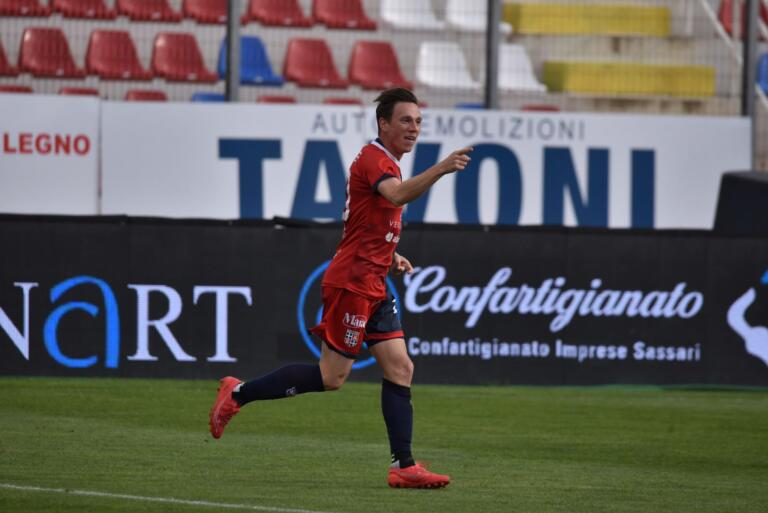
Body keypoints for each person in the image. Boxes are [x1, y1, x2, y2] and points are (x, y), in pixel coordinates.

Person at [209, 88, 472, 489]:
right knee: (332, 377)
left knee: (401, 367)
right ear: (383, 124)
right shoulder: (373, 159)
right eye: (405, 120)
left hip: (375, 279)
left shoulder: (386, 163)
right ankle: (238, 393)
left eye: (418, 121)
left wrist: (391, 253)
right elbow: (396, 196)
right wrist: (441, 168)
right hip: (352, 284)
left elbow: (367, 219)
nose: (414, 128)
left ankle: (404, 466)